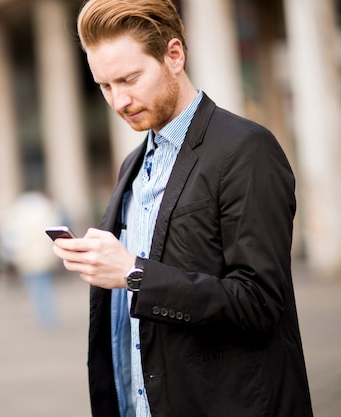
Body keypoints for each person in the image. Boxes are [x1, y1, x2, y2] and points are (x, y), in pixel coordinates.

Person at [51, 1, 313, 416]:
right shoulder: (132, 165)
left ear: (174, 55)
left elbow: (259, 302)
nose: (119, 100)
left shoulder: (246, 149)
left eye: (129, 79)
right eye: (105, 86)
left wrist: (133, 273)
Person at [1, 190, 62, 329]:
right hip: (41, 259)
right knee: (45, 288)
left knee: (36, 289)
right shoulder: (45, 212)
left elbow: (12, 237)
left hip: (29, 260)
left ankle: (45, 318)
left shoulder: (19, 214)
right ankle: (49, 318)